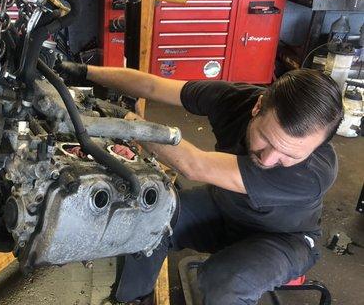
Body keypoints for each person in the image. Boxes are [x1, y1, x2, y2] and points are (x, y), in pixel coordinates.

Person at [56, 62, 344, 305]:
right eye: (266, 139)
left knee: (225, 281)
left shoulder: (315, 173)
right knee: (146, 216)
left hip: (283, 239)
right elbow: (154, 87)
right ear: (258, 106)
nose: (269, 159)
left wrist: (123, 119)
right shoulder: (235, 100)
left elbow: (195, 165)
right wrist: (84, 71)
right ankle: (132, 299)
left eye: (289, 155)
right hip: (223, 207)